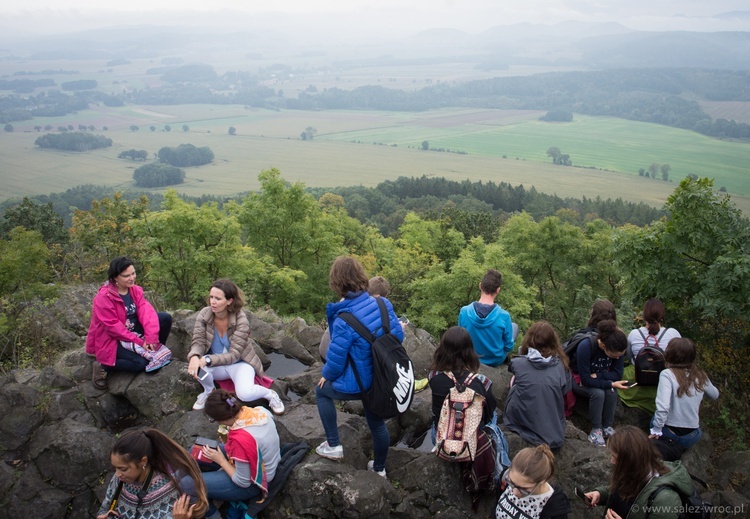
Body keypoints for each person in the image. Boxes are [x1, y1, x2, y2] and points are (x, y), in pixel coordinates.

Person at [315, 256, 404, 478]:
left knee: (320, 391)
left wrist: (326, 375)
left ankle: (334, 444)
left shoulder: (344, 318)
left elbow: (335, 359)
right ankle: (380, 469)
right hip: (383, 379)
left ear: (336, 282)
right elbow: (398, 336)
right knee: (377, 424)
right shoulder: (383, 303)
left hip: (358, 384)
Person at [187, 279, 284, 414]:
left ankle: (270, 395)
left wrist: (207, 360)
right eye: (211, 297)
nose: (212, 302)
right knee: (197, 369)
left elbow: (234, 355)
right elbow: (198, 340)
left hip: (240, 363)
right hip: (217, 365)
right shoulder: (204, 314)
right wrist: (195, 357)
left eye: (218, 298)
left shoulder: (240, 319)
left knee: (245, 394)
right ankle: (209, 391)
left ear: (229, 301)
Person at [180, 389, 281, 519]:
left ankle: (213, 515)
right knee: (196, 451)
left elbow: (243, 482)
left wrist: (221, 460)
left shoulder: (239, 441)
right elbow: (254, 442)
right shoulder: (260, 411)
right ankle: (206, 487)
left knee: (187, 484)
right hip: (261, 463)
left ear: (220, 419)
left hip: (254, 483)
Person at [87, 256, 173, 390]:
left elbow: (146, 312)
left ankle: (154, 351)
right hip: (114, 339)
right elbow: (114, 329)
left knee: (165, 318)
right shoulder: (103, 298)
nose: (132, 278)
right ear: (115, 277)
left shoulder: (135, 290)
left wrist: (151, 338)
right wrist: (140, 343)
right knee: (140, 364)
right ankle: (103, 365)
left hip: (134, 330)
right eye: (126, 276)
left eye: (133, 273)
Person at [585, 425, 693, 519]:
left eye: (615, 458)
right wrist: (601, 494)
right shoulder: (633, 472)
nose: (612, 461)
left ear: (631, 460)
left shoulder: (666, 499)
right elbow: (625, 493)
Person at [97, 428, 208, 519]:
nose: (117, 474)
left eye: (123, 469)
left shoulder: (174, 487)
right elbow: (104, 509)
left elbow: (198, 513)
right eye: (115, 468)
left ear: (143, 462)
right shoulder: (119, 480)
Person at [504, 321, 572, 451]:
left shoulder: (517, 363)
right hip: (554, 434)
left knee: (515, 383)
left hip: (520, 422)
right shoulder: (561, 366)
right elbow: (565, 391)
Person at [428, 326, 497, 443]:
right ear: (470, 351)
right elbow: (489, 413)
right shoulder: (482, 382)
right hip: (470, 441)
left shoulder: (433, 376)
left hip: (442, 438)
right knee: (494, 414)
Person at [649, 338, 719, 450]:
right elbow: (715, 395)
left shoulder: (667, 374)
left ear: (669, 355)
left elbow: (663, 408)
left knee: (654, 419)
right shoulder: (700, 375)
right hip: (691, 437)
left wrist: (656, 431)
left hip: (668, 433)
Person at [570, 319, 630, 446]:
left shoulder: (618, 348)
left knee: (612, 392)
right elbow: (586, 379)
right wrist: (609, 383)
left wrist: (599, 375)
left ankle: (607, 426)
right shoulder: (586, 346)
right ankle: (596, 430)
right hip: (578, 380)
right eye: (615, 356)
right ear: (604, 346)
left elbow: (617, 374)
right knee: (598, 393)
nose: (618, 358)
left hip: (598, 378)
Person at [620, 299, 683, 414]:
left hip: (636, 382)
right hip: (662, 382)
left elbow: (629, 357)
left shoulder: (634, 334)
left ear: (644, 316)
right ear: (662, 315)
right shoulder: (673, 334)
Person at [318, 275, 393, 362]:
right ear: (377, 296)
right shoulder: (368, 309)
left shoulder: (351, 298)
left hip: (324, 350)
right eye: (385, 298)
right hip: (333, 358)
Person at [495, 445, 570, 519]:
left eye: (523, 488)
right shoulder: (505, 477)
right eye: (511, 483)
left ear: (542, 480)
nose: (514, 492)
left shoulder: (555, 506)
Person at [458, 269, 514, 366]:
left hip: (470, 359)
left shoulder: (464, 311)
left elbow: (459, 339)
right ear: (498, 290)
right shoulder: (504, 316)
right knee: (514, 327)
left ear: (480, 286)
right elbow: (509, 346)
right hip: (495, 360)